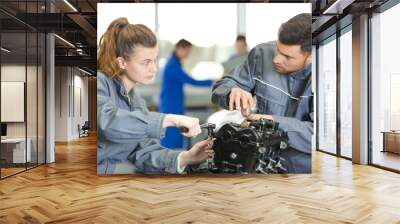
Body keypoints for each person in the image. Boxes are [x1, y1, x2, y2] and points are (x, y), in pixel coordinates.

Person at [97, 17, 213, 174]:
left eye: (154, 60)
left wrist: (186, 157)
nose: (154, 68)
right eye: (146, 62)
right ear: (122, 62)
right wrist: (170, 119)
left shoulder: (135, 99)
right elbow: (108, 123)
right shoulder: (100, 83)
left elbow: (142, 150)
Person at [211, 13, 313, 173]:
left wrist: (271, 123)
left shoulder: (327, 75)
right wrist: (232, 92)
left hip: (302, 174)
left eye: (287, 56)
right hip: (257, 166)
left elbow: (321, 137)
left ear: (311, 57)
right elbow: (221, 87)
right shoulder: (261, 54)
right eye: (278, 49)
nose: (276, 59)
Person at [159, 39, 213, 149]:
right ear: (180, 48)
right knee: (171, 136)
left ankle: (173, 160)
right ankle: (168, 162)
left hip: (174, 103)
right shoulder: (172, 65)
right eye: (187, 51)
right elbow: (191, 81)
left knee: (176, 134)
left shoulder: (174, 62)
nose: (188, 54)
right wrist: (212, 82)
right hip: (171, 105)